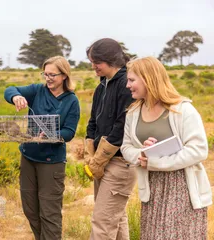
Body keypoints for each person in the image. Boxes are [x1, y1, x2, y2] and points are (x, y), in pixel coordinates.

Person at [121, 56, 212, 239]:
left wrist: (155, 161)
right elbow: (126, 146)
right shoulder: (133, 113)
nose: (127, 85)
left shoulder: (182, 109)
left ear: (148, 79)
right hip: (152, 190)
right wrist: (141, 155)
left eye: (132, 80)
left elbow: (198, 150)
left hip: (183, 190)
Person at [4, 56, 80, 240]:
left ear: (64, 75)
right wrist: (16, 96)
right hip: (29, 158)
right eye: (45, 74)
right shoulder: (37, 91)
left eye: (52, 74)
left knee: (49, 213)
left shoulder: (71, 101)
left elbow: (69, 132)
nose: (48, 78)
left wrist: (52, 135)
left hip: (51, 163)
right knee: (30, 209)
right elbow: (9, 90)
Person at [84, 38, 137, 239]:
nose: (93, 66)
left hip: (120, 162)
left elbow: (122, 126)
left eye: (96, 62)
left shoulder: (126, 84)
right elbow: (92, 121)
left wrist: (99, 159)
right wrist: (91, 151)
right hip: (104, 161)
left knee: (102, 222)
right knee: (116, 218)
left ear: (110, 59)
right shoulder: (102, 86)